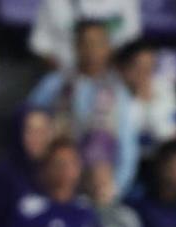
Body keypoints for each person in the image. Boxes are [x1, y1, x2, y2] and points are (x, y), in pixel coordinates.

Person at [28, 21, 139, 196]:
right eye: (85, 43)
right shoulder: (54, 84)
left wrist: (116, 186)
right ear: (76, 46)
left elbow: (127, 147)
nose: (91, 50)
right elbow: (29, 128)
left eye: (98, 43)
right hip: (54, 184)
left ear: (108, 48)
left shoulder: (119, 93)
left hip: (97, 186)